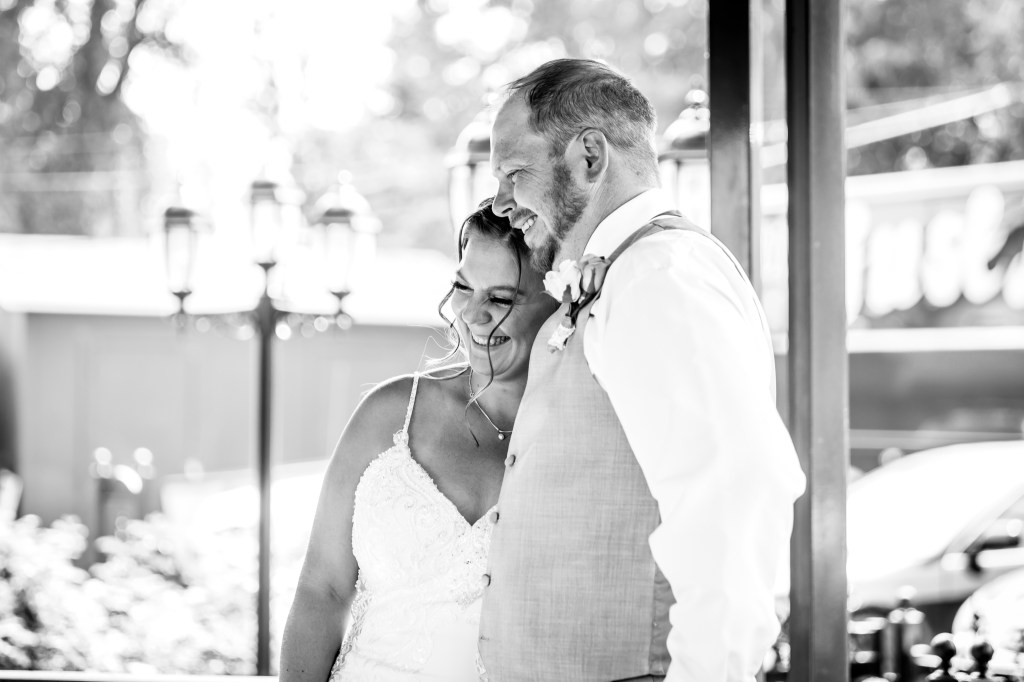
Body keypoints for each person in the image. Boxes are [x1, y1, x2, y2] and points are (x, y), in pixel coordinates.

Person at [478, 58, 807, 681]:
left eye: (514, 173)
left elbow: (731, 500)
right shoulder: (626, 272)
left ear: (590, 156)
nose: (501, 203)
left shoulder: (659, 277)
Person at [279, 200, 557, 681]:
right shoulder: (389, 414)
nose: (473, 314)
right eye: (464, 288)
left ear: (556, 303)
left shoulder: (578, 438)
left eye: (501, 299)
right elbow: (321, 590)